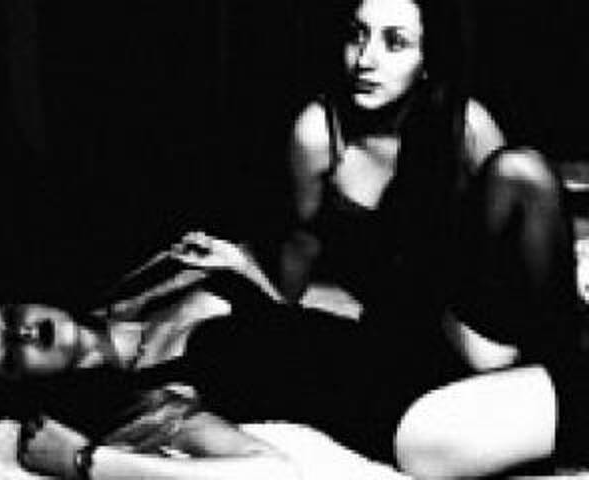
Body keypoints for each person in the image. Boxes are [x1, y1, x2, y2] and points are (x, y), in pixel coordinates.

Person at [248, 0, 588, 476]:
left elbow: (514, 245)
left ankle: (570, 370)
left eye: (395, 42)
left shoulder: (463, 123)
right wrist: (255, 297)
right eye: (357, 35)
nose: (366, 59)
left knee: (521, 170)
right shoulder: (319, 134)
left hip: (477, 320)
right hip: (408, 337)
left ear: (427, 60)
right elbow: (299, 249)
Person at [0, 234, 408, 480]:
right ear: (24, 385)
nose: (20, 333)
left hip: (393, 342)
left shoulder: (135, 292)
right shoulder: (136, 400)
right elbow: (274, 472)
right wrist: (85, 462)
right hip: (393, 413)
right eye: (7, 357)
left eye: (7, 317)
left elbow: (288, 330)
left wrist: (242, 268)